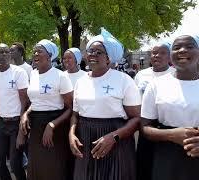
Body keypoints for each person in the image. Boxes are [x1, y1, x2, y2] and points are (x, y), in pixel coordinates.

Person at [69, 28, 141, 180]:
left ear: (109, 58)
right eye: (90, 51)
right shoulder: (81, 82)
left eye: (99, 52)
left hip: (115, 142)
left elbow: (136, 119)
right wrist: (71, 134)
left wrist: (113, 137)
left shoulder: (123, 80)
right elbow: (75, 115)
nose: (93, 55)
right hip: (86, 140)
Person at [141, 34, 199, 180]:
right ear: (171, 55)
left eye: (190, 46)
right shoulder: (156, 85)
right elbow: (145, 128)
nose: (182, 50)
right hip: (166, 156)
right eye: (176, 47)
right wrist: (173, 135)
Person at [18, 39, 74, 180]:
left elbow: (71, 108)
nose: (35, 53)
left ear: (49, 56)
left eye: (39, 51)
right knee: (37, 165)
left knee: (53, 167)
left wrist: (52, 125)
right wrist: (26, 113)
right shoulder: (33, 74)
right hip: (36, 126)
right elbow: (35, 102)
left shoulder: (61, 76)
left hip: (55, 127)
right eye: (34, 51)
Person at [135, 42, 175, 180]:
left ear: (170, 57)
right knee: (144, 163)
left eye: (162, 53)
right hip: (145, 124)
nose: (157, 55)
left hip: (166, 126)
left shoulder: (176, 74)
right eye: (154, 52)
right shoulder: (141, 75)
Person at [0, 43, 28, 180]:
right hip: (2, 123)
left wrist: (22, 131)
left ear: (10, 54)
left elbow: (25, 101)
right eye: (0, 52)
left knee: (16, 163)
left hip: (17, 122)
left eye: (6, 52)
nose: (4, 55)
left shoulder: (18, 72)